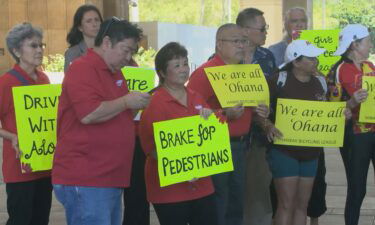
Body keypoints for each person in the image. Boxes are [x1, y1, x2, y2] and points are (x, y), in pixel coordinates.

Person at [52, 18, 151, 225]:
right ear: (106, 42)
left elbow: (116, 113)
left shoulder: (115, 72)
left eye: (132, 52)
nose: (128, 57)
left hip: (108, 177)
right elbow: (89, 114)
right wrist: (126, 101)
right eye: (125, 50)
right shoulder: (82, 68)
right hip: (87, 177)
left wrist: (133, 105)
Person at [187, 23, 269, 225]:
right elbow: (192, 115)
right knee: (219, 202)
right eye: (236, 41)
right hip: (216, 145)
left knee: (236, 202)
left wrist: (262, 114)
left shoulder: (246, 72)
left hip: (242, 146)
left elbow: (254, 110)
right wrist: (224, 114)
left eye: (244, 41)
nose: (242, 46)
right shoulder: (204, 73)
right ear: (219, 45)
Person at [139, 41, 219, 225]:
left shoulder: (196, 96)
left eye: (185, 63)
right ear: (162, 73)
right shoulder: (153, 103)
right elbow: (151, 149)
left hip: (202, 186)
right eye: (177, 65)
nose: (184, 69)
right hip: (169, 190)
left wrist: (211, 117)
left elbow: (212, 137)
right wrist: (184, 169)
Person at [269, 8, 327, 225]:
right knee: (286, 204)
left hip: (311, 153)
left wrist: (346, 108)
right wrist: (266, 124)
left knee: (302, 206)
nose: (316, 62)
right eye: (311, 58)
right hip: (284, 150)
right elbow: (260, 109)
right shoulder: (278, 80)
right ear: (296, 61)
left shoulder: (320, 81)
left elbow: (327, 113)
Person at [0, 22, 52, 225]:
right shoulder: (6, 82)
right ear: (16, 51)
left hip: (44, 166)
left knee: (41, 220)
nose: (39, 50)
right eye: (33, 46)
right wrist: (12, 136)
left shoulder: (44, 79)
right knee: (20, 220)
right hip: (18, 168)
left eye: (41, 45)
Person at [327, 24, 374, 225]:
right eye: (368, 40)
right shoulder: (338, 70)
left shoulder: (370, 67)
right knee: (357, 188)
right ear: (355, 44)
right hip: (353, 136)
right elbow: (329, 109)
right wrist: (352, 102)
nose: (371, 44)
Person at [235, 8, 276, 225]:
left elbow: (274, 94)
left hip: (260, 138)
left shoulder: (267, 57)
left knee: (260, 196)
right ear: (244, 30)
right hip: (230, 139)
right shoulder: (224, 58)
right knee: (232, 196)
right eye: (262, 28)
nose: (265, 32)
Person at [64, 4, 103, 72]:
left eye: (97, 20)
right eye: (89, 21)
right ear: (80, 27)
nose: (94, 24)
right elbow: (70, 80)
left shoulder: (108, 49)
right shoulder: (72, 53)